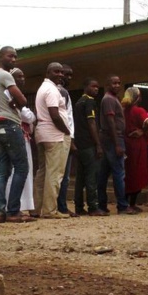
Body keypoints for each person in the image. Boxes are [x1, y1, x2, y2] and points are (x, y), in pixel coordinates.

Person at [0, 46, 35, 223]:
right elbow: (23, 100)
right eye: (10, 56)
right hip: (10, 124)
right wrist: (17, 103)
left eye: (15, 57)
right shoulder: (5, 75)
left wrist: (13, 103)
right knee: (22, 167)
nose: (14, 59)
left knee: (3, 171)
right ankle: (13, 211)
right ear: (1, 57)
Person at [33, 62, 71, 219]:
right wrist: (66, 130)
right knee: (54, 174)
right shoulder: (52, 90)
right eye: (56, 71)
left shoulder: (42, 88)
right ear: (48, 72)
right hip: (55, 136)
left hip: (42, 134)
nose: (60, 75)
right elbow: (54, 114)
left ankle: (36, 208)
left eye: (62, 72)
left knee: (42, 172)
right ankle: (50, 210)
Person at [97, 75, 133, 215]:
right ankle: (122, 206)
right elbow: (110, 121)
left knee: (103, 174)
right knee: (119, 173)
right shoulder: (109, 100)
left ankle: (102, 205)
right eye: (114, 83)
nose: (117, 85)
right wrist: (117, 144)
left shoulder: (112, 99)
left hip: (109, 140)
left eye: (119, 83)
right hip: (113, 140)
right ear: (107, 85)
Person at [73, 77, 107, 216]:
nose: (96, 89)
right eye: (93, 86)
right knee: (91, 176)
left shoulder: (78, 102)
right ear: (86, 87)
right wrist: (98, 144)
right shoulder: (90, 102)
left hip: (79, 144)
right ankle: (93, 207)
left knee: (80, 178)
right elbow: (92, 123)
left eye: (97, 87)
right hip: (88, 144)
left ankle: (79, 206)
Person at [4, 68, 36, 215]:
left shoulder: (19, 96)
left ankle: (25, 204)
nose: (22, 79)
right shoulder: (7, 94)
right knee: (16, 171)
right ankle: (14, 205)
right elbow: (28, 116)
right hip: (14, 136)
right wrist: (29, 115)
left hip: (24, 137)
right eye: (19, 77)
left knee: (25, 172)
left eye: (23, 76)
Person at [122, 86, 148, 212]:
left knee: (128, 173)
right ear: (138, 97)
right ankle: (132, 203)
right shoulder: (139, 111)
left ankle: (125, 202)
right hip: (138, 145)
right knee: (137, 173)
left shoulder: (123, 111)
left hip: (126, 143)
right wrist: (143, 131)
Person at [56, 63, 78, 217]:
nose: (68, 77)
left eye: (70, 75)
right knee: (63, 175)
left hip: (62, 136)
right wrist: (69, 138)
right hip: (62, 138)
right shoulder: (60, 92)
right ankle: (61, 206)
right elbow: (64, 118)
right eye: (65, 74)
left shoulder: (62, 92)